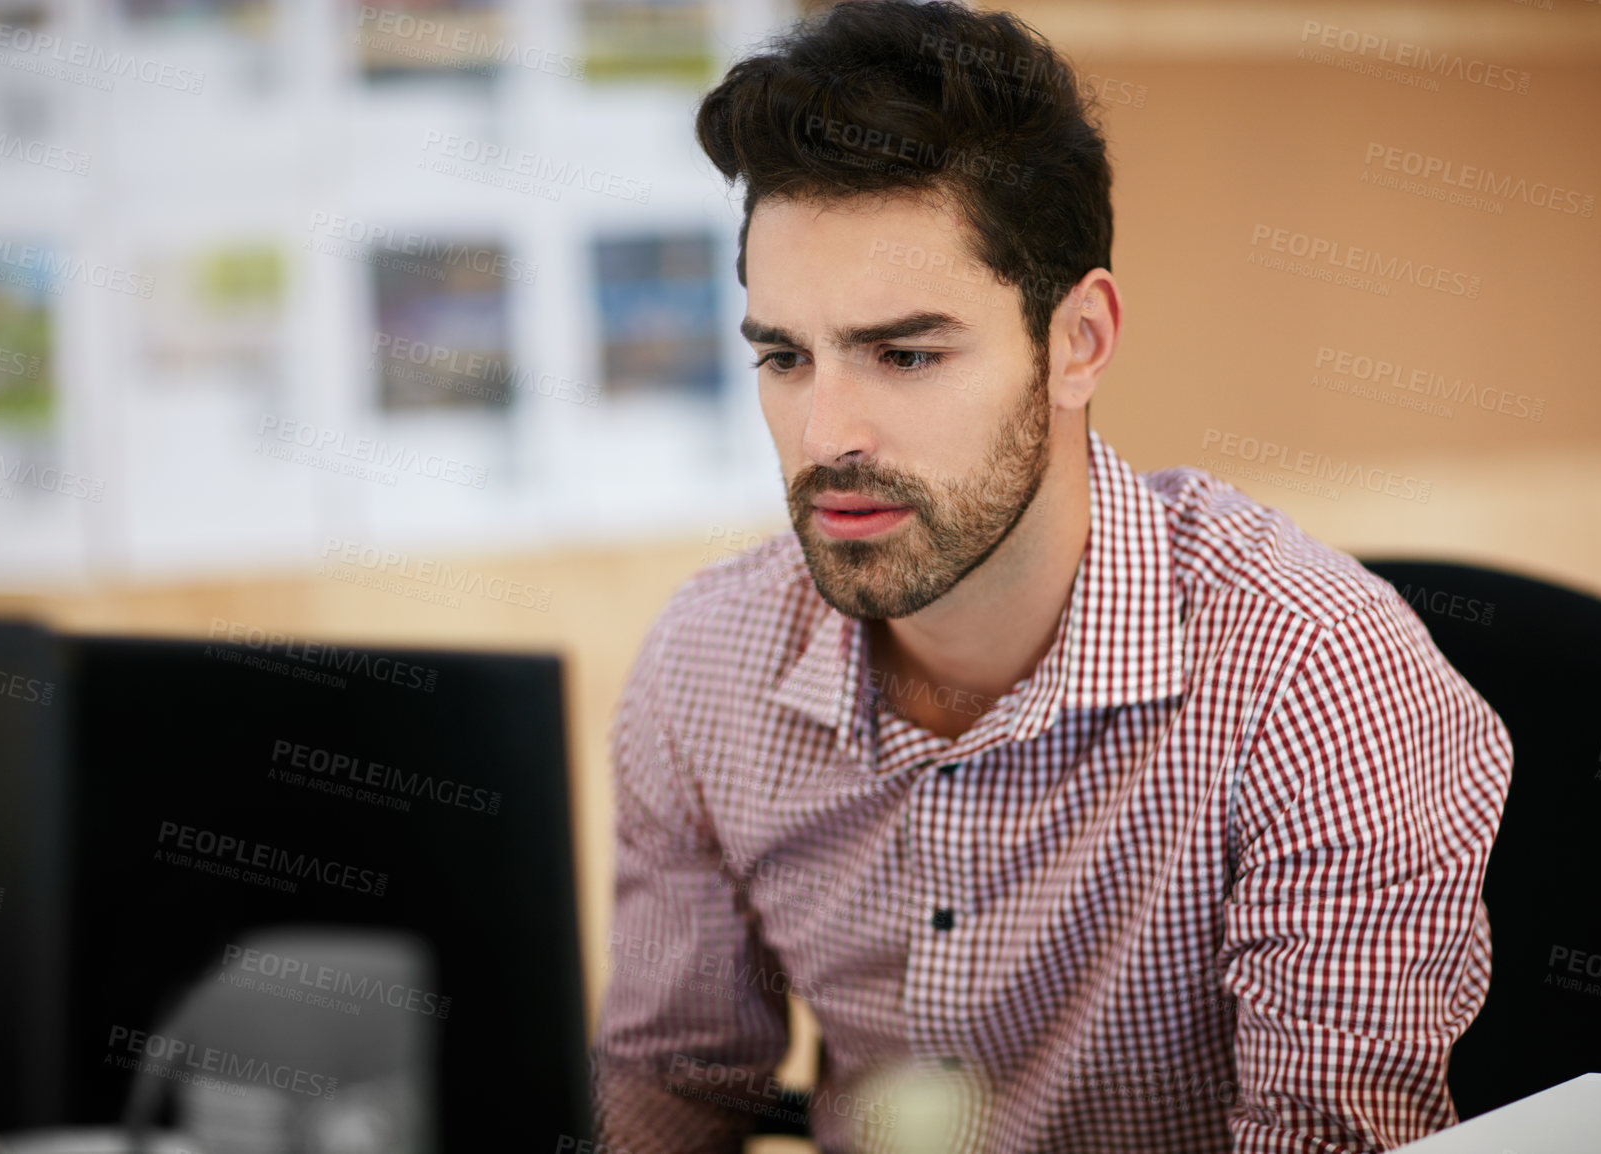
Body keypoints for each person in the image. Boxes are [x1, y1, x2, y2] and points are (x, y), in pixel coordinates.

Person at [590, 2, 1513, 1151]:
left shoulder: (1310, 677)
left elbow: (1326, 1137)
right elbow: (671, 1079)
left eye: (906, 353)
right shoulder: (708, 660)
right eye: (783, 356)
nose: (824, 432)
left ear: (1078, 340)